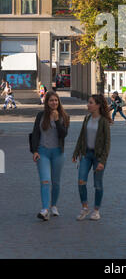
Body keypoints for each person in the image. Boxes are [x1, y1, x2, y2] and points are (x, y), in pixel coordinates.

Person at [31, 90, 70, 221]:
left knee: (56, 182)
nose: (54, 102)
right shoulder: (41, 115)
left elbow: (63, 134)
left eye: (56, 100)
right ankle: (45, 209)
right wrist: (35, 151)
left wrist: (57, 119)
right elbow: (35, 133)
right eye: (51, 100)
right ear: (46, 102)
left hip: (58, 152)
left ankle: (53, 205)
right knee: (45, 180)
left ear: (58, 102)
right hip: (43, 152)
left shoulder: (64, 116)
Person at [72, 94, 111, 221]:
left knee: (98, 184)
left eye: (91, 102)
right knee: (81, 181)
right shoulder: (86, 118)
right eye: (88, 102)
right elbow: (81, 137)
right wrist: (76, 153)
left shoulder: (104, 121)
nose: (88, 105)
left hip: (98, 156)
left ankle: (96, 210)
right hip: (86, 154)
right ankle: (84, 207)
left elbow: (107, 143)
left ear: (98, 105)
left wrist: (102, 161)